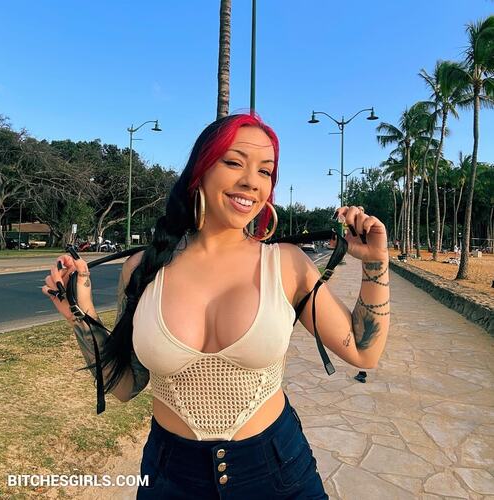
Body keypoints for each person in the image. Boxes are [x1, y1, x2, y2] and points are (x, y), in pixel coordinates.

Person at [42, 113, 390, 499]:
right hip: (169, 477)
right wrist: (80, 315)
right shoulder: (143, 268)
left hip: (277, 472)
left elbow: (364, 351)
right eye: (234, 162)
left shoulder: (286, 264)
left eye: (265, 171)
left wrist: (376, 262)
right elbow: (125, 387)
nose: (251, 181)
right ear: (201, 169)